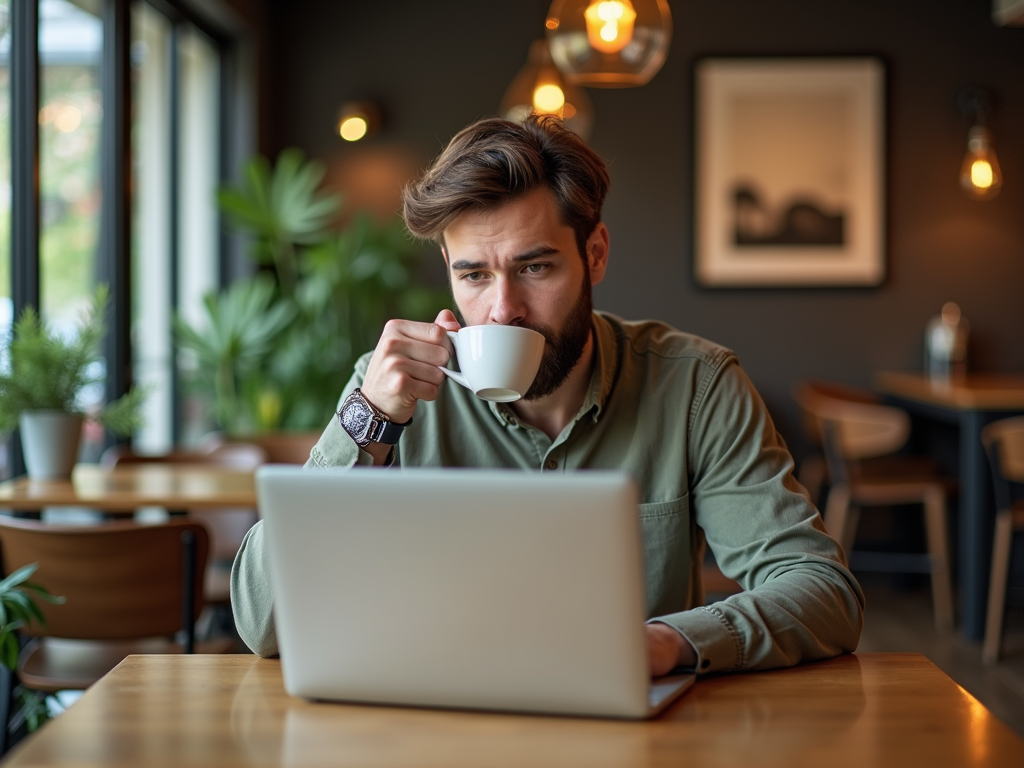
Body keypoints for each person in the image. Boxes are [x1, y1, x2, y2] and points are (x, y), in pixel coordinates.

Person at [231, 115, 865, 673]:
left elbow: (822, 591)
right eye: (474, 275)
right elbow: (263, 623)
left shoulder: (694, 386)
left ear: (594, 255)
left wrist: (669, 641)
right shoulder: (392, 390)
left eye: (534, 267)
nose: (502, 309)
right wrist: (363, 426)